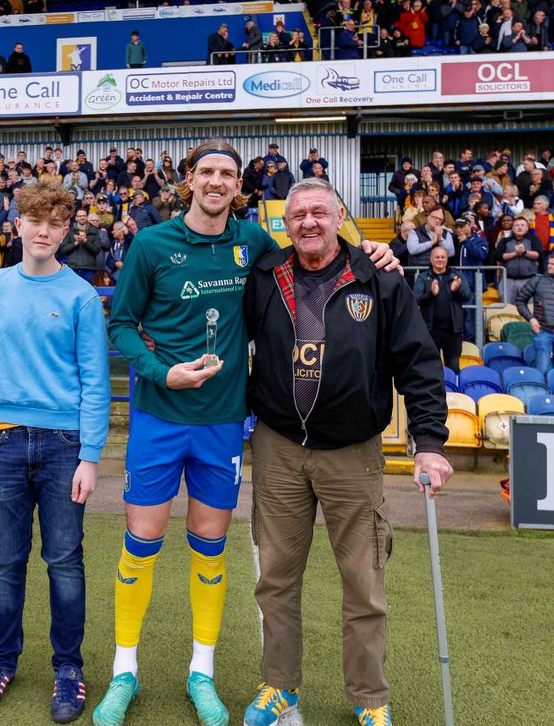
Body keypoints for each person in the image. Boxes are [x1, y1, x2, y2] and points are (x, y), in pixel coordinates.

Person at [97, 141, 394, 726]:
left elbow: (322, 252)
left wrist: (374, 253)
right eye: (206, 172)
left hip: (224, 421)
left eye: (227, 174)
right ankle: (123, 671)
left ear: (239, 188)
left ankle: (200, 674)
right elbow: (122, 326)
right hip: (159, 417)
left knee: (210, 545)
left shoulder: (254, 243)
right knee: (143, 542)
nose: (216, 181)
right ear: (189, 180)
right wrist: (161, 372)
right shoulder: (152, 244)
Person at [240, 177, 452, 726]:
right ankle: (279, 687)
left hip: (352, 453)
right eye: (297, 215)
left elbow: (420, 363)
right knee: (276, 580)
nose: (308, 222)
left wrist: (428, 443)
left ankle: (369, 699)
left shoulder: (376, 277)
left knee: (363, 583)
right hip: (279, 447)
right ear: (283, 225)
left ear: (339, 217)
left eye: (318, 212)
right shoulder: (264, 277)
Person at [0, 180, 109, 724]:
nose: (44, 232)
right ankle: (0, 662)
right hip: (4, 441)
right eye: (35, 221)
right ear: (19, 223)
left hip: (63, 448)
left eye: (55, 224)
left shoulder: (80, 295)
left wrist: (91, 456)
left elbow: (95, 381)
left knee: (64, 561)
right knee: (5, 561)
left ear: (65, 231)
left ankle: (68, 670)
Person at [414, 246, 471, 371]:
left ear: (447, 259)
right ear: (431, 259)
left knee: (453, 366)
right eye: (437, 257)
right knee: (431, 366)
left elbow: (467, 296)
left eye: (443, 257)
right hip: (431, 330)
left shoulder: (456, 275)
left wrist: (457, 290)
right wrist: (431, 294)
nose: (440, 259)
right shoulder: (423, 277)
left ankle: (452, 390)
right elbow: (417, 299)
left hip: (453, 331)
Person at [496, 215, 542, 303]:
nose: (519, 227)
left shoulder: (533, 239)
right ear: (512, 228)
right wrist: (515, 253)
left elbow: (538, 255)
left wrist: (525, 252)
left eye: (522, 225)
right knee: (507, 306)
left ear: (527, 228)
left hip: (529, 279)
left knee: (529, 306)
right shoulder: (505, 240)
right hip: (508, 280)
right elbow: (498, 256)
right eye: (517, 225)